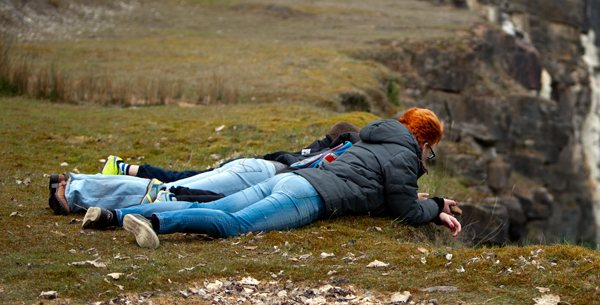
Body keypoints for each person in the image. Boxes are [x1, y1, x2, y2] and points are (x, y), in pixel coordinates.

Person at [86, 108, 461, 248]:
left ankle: (111, 215)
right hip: (309, 197)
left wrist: (426, 203)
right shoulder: (404, 156)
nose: (429, 157)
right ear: (424, 141)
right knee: (235, 224)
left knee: (216, 203)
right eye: (431, 150)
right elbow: (404, 211)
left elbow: (380, 195)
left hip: (292, 179)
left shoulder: (371, 137)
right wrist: (435, 207)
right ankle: (154, 221)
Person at [48, 123, 361, 214]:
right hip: (258, 176)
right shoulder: (343, 159)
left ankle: (72, 181)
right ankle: (76, 191)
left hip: (253, 166)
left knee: (169, 187)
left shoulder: (318, 149)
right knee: (167, 192)